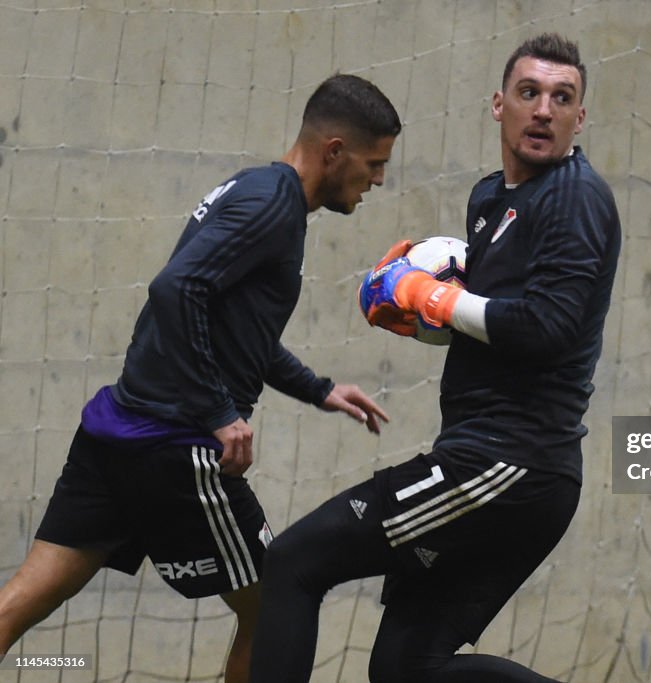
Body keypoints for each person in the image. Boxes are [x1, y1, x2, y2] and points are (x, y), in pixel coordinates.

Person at [0, 74, 397, 683]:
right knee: (274, 604)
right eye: (374, 163)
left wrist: (318, 388)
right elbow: (174, 289)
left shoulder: (254, 187)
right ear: (334, 150)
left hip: (114, 435)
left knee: (19, 603)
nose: (378, 179)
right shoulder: (274, 205)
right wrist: (218, 413)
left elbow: (225, 326)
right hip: (175, 448)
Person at [250, 33, 621, 683]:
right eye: (529, 93)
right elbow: (495, 321)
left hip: (509, 465)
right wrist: (415, 318)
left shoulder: (575, 196)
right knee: (405, 668)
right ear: (498, 104)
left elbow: (548, 327)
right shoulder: (490, 201)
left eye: (562, 99)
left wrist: (428, 294)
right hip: (496, 463)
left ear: (579, 119)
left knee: (293, 562)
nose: (544, 110)